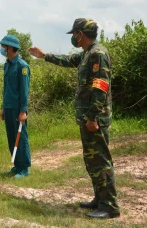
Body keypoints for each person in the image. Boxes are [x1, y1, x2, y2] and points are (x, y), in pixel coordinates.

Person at [28, 18, 120, 219]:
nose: (73, 38)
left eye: (74, 34)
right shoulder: (87, 54)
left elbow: (100, 87)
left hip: (95, 119)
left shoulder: (98, 53)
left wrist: (93, 117)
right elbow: (69, 61)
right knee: (92, 160)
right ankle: (100, 199)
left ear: (81, 33)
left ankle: (110, 206)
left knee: (101, 161)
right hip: (88, 118)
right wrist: (44, 56)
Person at [0, 35, 31, 178]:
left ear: (10, 48)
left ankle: (24, 168)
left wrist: (23, 111)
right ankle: (16, 166)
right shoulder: (7, 65)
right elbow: (6, 88)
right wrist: (3, 107)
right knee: (12, 137)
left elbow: (24, 90)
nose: (2, 49)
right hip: (8, 107)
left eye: (4, 46)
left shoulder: (22, 66)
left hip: (18, 109)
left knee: (21, 137)